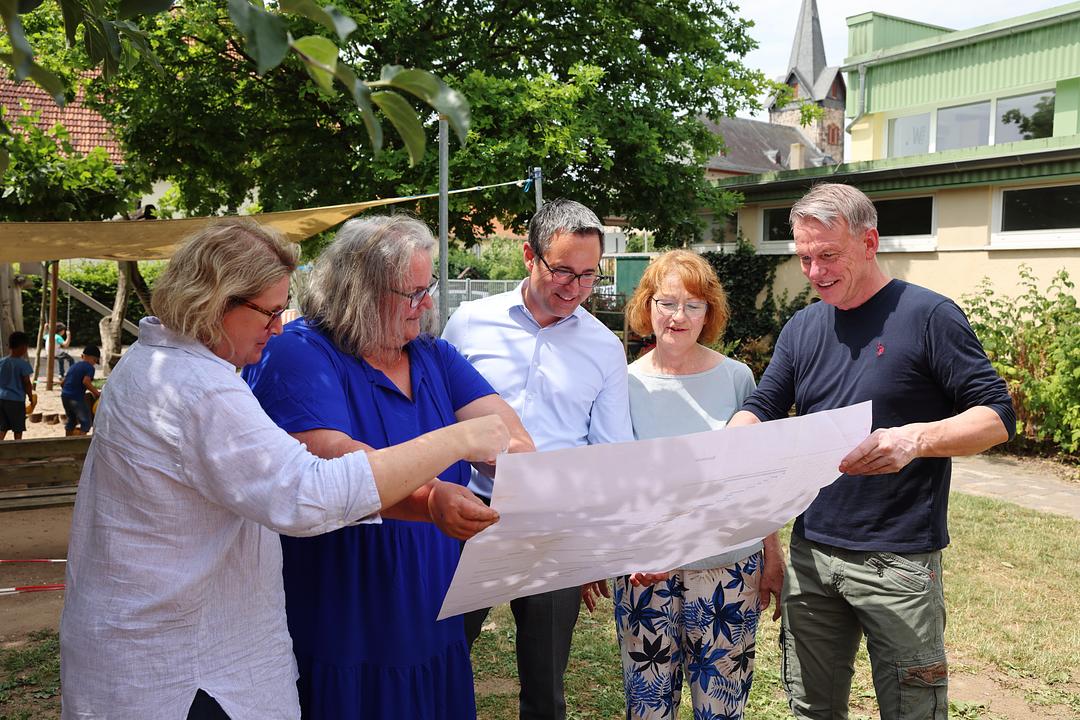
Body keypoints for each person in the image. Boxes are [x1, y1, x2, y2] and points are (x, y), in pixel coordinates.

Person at [60, 219, 510, 720]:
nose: (277, 327)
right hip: (182, 666)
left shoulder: (161, 364)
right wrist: (457, 441)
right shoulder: (201, 391)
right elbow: (308, 493)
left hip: (168, 644)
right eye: (270, 312)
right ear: (217, 301)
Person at [727, 183, 1015, 719]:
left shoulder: (928, 316)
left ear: (869, 242)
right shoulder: (804, 325)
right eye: (804, 257)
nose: (815, 272)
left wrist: (915, 439)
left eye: (828, 255)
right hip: (812, 554)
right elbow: (765, 403)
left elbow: (997, 416)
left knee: (912, 711)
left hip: (898, 563)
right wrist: (736, 435)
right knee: (811, 709)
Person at [244, 215, 533, 720]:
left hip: (430, 612)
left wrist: (504, 460)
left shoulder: (434, 356)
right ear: (360, 292)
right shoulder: (299, 352)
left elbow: (513, 440)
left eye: (428, 287)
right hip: (344, 615)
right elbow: (333, 458)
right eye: (413, 293)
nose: (428, 305)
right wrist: (436, 489)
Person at [442, 198, 633, 720]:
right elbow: (438, 416)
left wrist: (599, 539)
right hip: (468, 516)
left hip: (554, 528)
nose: (575, 288)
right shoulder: (469, 323)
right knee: (441, 659)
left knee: (545, 684)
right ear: (530, 255)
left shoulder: (604, 347)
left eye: (589, 275)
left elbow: (610, 449)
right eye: (563, 271)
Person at [584, 250, 781, 720]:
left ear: (709, 313)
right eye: (667, 303)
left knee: (721, 709)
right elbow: (608, 477)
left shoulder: (737, 377)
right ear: (646, 306)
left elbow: (756, 475)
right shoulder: (621, 383)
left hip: (728, 571)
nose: (679, 316)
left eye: (693, 305)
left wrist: (772, 551)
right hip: (645, 572)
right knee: (648, 705)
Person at [0, 331, 35, 441]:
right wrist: (30, 396)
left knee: (2, 427)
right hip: (16, 400)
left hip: (1, 397)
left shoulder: (2, 362)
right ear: (23, 347)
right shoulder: (23, 364)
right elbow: (27, 383)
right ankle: (17, 448)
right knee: (18, 428)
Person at [60, 345, 101, 436]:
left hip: (65, 396)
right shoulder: (89, 368)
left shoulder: (74, 366)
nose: (94, 363)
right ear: (94, 359)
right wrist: (97, 393)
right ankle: (81, 440)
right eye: (95, 361)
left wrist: (69, 391)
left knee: (72, 420)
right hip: (76, 398)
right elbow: (86, 382)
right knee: (86, 422)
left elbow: (62, 383)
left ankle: (67, 439)